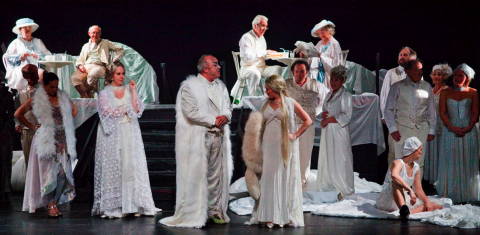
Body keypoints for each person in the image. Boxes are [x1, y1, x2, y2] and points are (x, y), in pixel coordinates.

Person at [160, 55, 233, 228]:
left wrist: (226, 116)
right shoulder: (189, 87)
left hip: (219, 135)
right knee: (197, 175)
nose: (219, 67)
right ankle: (195, 212)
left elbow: (228, 106)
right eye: (215, 64)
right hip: (200, 137)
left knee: (217, 175)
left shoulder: (221, 86)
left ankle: (215, 210)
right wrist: (214, 119)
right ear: (205, 68)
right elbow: (190, 111)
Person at [92, 62, 159, 218]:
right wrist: (125, 110)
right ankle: (116, 205)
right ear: (111, 75)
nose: (121, 76)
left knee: (131, 167)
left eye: (123, 73)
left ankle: (133, 204)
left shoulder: (129, 89)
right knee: (116, 165)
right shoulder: (104, 93)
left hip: (130, 133)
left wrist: (134, 91)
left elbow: (136, 109)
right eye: (118, 74)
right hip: (114, 135)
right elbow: (108, 113)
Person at [245, 75, 311, 228]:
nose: (266, 91)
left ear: (276, 88)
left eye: (268, 88)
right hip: (267, 146)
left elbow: (308, 120)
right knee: (267, 179)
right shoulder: (264, 104)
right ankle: (267, 215)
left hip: (283, 146)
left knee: (282, 177)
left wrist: (295, 135)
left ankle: (281, 215)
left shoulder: (289, 103)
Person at [16, 72, 77, 217]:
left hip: (61, 139)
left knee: (62, 174)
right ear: (44, 86)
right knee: (48, 175)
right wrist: (32, 126)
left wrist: (65, 121)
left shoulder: (62, 97)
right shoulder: (37, 99)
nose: (54, 89)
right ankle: (50, 204)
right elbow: (18, 114)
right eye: (51, 87)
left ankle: (53, 202)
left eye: (56, 86)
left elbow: (74, 110)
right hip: (45, 140)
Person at [436, 63, 479, 203]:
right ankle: (451, 192)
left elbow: (475, 113)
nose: (457, 77)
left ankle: (467, 193)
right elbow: (442, 113)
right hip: (450, 130)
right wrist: (452, 128)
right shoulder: (445, 92)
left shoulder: (473, 92)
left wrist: (467, 128)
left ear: (467, 77)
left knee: (468, 160)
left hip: (469, 131)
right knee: (451, 160)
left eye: (460, 75)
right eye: (455, 75)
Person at [384, 59, 436, 168]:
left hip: (421, 129)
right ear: (407, 71)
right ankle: (400, 185)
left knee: (419, 162)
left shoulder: (427, 86)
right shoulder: (397, 86)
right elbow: (388, 109)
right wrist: (393, 129)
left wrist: (431, 130)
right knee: (402, 161)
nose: (419, 72)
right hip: (402, 129)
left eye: (421, 69)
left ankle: (416, 185)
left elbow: (431, 110)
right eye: (416, 69)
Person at [376, 136, 443, 221]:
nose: (421, 152)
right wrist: (410, 190)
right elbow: (394, 176)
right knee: (396, 183)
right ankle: (403, 208)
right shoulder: (398, 162)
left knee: (434, 205)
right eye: (420, 149)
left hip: (403, 197)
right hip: (390, 198)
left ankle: (407, 212)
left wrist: (427, 202)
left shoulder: (416, 167)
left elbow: (418, 190)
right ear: (413, 150)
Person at [285, 60, 329, 185]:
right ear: (293, 72)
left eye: (302, 71)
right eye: (297, 71)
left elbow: (325, 100)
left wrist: (317, 111)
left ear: (307, 72)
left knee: (305, 152)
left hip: (308, 124)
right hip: (291, 123)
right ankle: (289, 179)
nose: (299, 74)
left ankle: (302, 180)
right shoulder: (285, 85)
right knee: (290, 152)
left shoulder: (316, 85)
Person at [316, 65, 354, 199]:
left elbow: (347, 115)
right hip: (328, 131)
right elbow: (325, 109)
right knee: (329, 156)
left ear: (342, 81)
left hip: (338, 131)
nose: (333, 82)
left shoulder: (346, 95)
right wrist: (324, 116)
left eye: (336, 80)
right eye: (332, 79)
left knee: (340, 157)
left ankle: (342, 185)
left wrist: (330, 119)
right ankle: (329, 183)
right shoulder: (328, 94)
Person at [231, 15, 284, 103]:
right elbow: (248, 57)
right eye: (263, 26)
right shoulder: (246, 38)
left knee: (278, 69)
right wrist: (265, 52)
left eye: (266, 26)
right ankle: (254, 102)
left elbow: (263, 55)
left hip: (262, 67)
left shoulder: (262, 38)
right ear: (255, 25)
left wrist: (273, 54)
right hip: (248, 68)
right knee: (255, 74)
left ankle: (272, 98)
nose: (265, 29)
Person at [70, 25, 124, 98]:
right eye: (93, 33)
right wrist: (80, 65)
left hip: (100, 66)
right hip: (86, 66)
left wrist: (114, 60)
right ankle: (85, 96)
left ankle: (88, 94)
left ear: (100, 34)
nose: (95, 35)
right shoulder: (85, 46)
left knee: (93, 74)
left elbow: (120, 49)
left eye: (97, 33)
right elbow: (80, 59)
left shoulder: (105, 42)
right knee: (75, 78)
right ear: (89, 33)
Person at [2, 18, 51, 90]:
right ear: (20, 30)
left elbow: (48, 56)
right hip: (22, 71)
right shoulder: (16, 43)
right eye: (25, 29)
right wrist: (19, 57)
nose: (28, 31)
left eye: (29, 28)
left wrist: (39, 56)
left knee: (43, 73)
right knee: (29, 71)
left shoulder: (38, 41)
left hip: (38, 69)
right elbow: (6, 58)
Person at [423, 64, 452, 184]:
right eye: (434, 74)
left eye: (439, 74)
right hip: (429, 124)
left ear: (444, 76)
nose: (436, 76)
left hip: (441, 124)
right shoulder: (428, 89)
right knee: (430, 151)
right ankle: (430, 180)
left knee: (441, 151)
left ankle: (440, 180)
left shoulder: (447, 90)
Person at [15, 64, 41, 169]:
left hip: (40, 129)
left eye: (32, 76)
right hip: (26, 130)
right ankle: (30, 185)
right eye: (27, 77)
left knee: (40, 163)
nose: (30, 79)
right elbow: (16, 108)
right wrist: (17, 123)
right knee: (28, 161)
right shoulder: (21, 91)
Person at [380, 47, 417, 119]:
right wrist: (385, 116)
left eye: (405, 55)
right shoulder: (391, 73)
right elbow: (385, 95)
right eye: (400, 55)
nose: (402, 57)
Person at [306, 19, 343, 88]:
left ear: (329, 31)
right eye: (319, 33)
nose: (321, 35)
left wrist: (322, 56)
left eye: (322, 32)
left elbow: (337, 63)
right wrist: (307, 53)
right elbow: (313, 55)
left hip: (329, 72)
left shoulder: (335, 43)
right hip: (317, 71)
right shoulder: (320, 43)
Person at [0, 81, 15, 202]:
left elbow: (11, 115)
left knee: (5, 160)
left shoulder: (6, 95)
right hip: (5, 130)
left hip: (4, 132)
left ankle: (5, 189)